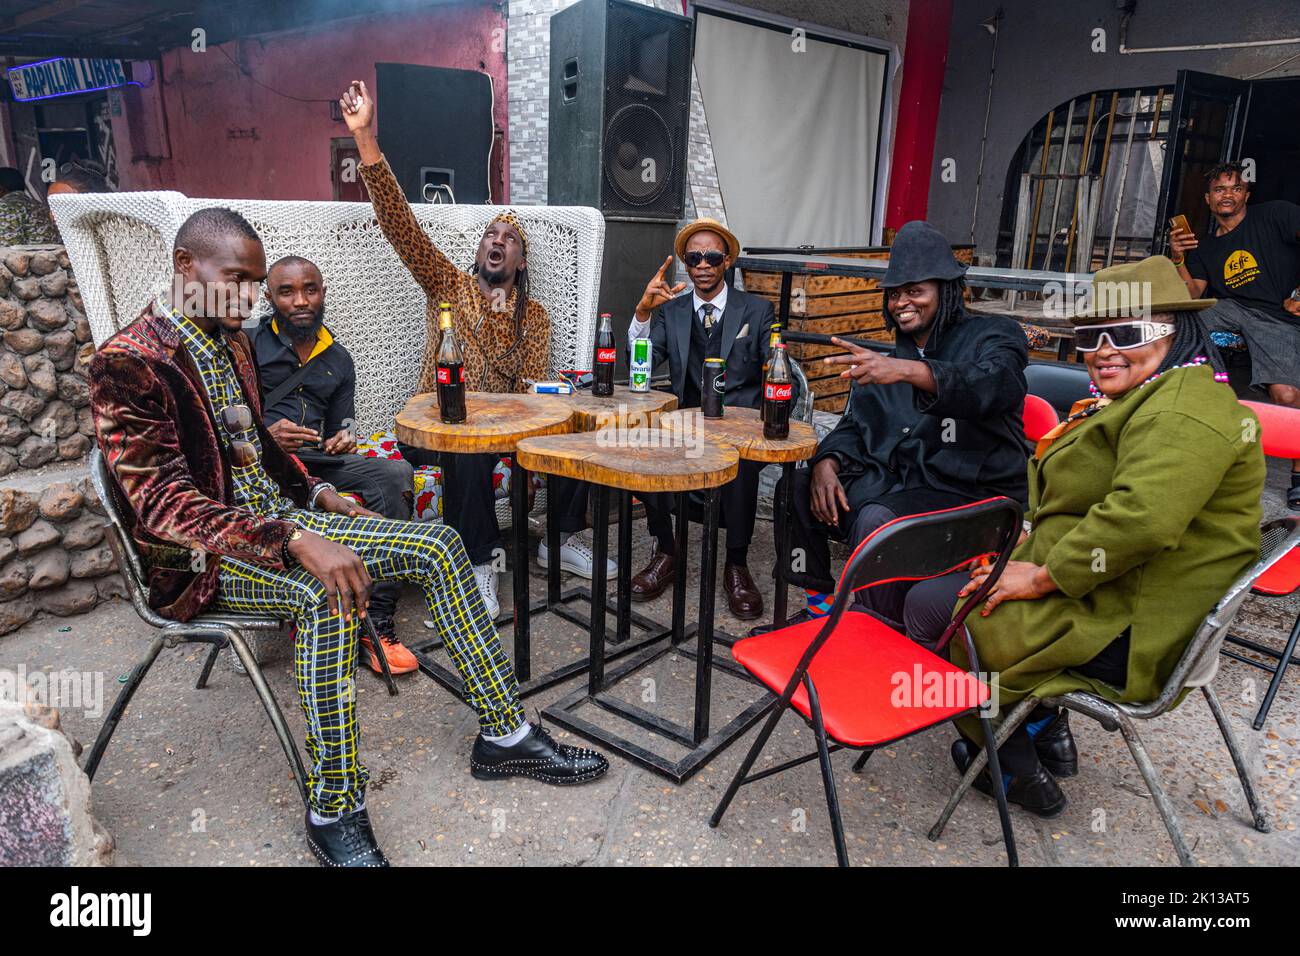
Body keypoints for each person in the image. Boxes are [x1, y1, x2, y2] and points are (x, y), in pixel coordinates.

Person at [89, 207, 608, 867]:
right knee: (325, 591)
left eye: (255, 282)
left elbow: (256, 450)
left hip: (281, 518)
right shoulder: (131, 362)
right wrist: (296, 540)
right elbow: (163, 506)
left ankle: (505, 734)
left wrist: (319, 495)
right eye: (239, 280)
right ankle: (335, 802)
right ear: (186, 267)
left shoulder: (230, 337)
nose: (251, 298)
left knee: (441, 543)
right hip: (202, 560)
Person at [902, 256, 1263, 816]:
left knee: (935, 611)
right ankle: (1045, 730)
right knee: (956, 589)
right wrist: (1025, 548)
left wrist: (1041, 577)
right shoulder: (1157, 393)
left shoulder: (1186, 411)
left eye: (1128, 331)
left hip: (1134, 624)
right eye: (1092, 335)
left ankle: (1012, 764)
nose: (1103, 350)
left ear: (1175, 330)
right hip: (1121, 586)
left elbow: (1141, 520)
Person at [340, 80, 611, 617]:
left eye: (509, 238)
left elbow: (534, 394)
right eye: (490, 234)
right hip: (436, 429)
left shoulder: (533, 317)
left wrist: (554, 398)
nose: (496, 240)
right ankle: (481, 562)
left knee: (575, 427)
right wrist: (366, 139)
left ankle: (559, 539)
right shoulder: (447, 285)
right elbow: (401, 226)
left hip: (504, 429)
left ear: (521, 261)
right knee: (466, 439)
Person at [763, 220, 1029, 634]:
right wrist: (826, 464)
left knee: (879, 522)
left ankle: (880, 632)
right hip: (900, 486)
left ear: (946, 290)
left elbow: (994, 385)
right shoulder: (892, 358)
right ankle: (821, 607)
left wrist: (909, 371)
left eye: (916, 291)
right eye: (895, 293)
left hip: (972, 499)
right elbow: (855, 424)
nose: (902, 302)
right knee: (793, 488)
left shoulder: (994, 335)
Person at [253, 254, 418, 677]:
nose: (300, 300)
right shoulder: (249, 344)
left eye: (310, 289)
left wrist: (344, 438)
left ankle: (376, 620)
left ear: (323, 293)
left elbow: (341, 425)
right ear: (270, 298)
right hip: (262, 459)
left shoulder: (339, 358)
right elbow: (223, 416)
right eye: (287, 292)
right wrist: (264, 437)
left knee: (396, 473)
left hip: (317, 461)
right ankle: (324, 617)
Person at [625, 218, 777, 619]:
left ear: (726, 260)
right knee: (646, 450)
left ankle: (737, 564)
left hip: (736, 428)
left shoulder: (758, 310)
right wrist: (642, 311)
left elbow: (776, 366)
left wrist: (765, 420)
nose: (703, 264)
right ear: (686, 264)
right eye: (695, 257)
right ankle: (668, 552)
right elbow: (640, 361)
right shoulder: (669, 312)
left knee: (740, 465)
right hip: (684, 424)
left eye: (711, 256)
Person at [1169, 161, 1300, 507]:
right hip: (1228, 310)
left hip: (1276, 319)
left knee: (1287, 396)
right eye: (1219, 189)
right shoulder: (1206, 248)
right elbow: (1193, 294)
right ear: (1208, 200)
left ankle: (1299, 476)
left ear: (1246, 194)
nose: (1227, 194)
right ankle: (1189, 421)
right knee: (1180, 322)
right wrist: (1179, 258)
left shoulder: (1276, 215)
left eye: (1235, 187)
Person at [0, 167, 57, 245]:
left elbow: (7, 248)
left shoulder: (5, 207)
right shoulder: (38, 205)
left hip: (29, 256)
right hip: (52, 256)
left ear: (1, 189)